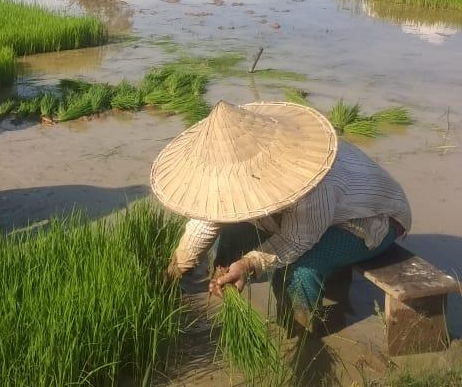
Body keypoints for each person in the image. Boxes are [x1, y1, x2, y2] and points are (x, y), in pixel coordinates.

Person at [154, 101, 411, 330]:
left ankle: (298, 330)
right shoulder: (222, 176)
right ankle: (228, 285)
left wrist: (249, 264)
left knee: (300, 270)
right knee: (230, 236)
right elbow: (204, 224)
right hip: (323, 214)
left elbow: (297, 240)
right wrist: (174, 272)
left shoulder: (309, 181)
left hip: (372, 217)